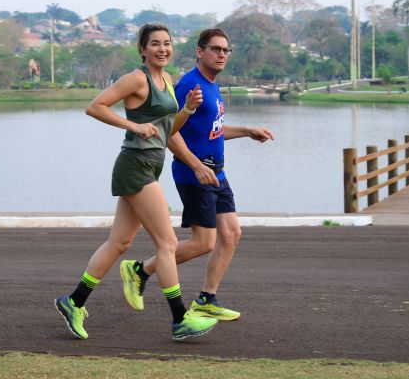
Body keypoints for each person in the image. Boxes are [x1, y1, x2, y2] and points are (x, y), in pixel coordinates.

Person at [54, 23, 218, 341]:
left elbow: (168, 129)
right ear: (143, 49)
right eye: (155, 44)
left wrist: (187, 109)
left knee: (120, 243)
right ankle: (180, 319)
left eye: (167, 43)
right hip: (135, 166)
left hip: (149, 166)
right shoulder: (137, 79)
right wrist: (133, 125)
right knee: (168, 244)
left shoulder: (167, 80)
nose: (162, 49)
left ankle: (73, 302)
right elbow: (95, 107)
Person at [120, 28, 274, 321]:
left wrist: (247, 131)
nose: (221, 55)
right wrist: (196, 166)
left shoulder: (213, 86)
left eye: (226, 50)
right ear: (200, 51)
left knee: (231, 234)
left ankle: (206, 299)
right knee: (204, 242)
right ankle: (140, 269)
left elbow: (212, 131)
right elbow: (169, 132)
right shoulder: (190, 84)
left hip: (217, 172)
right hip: (195, 174)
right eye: (215, 49)